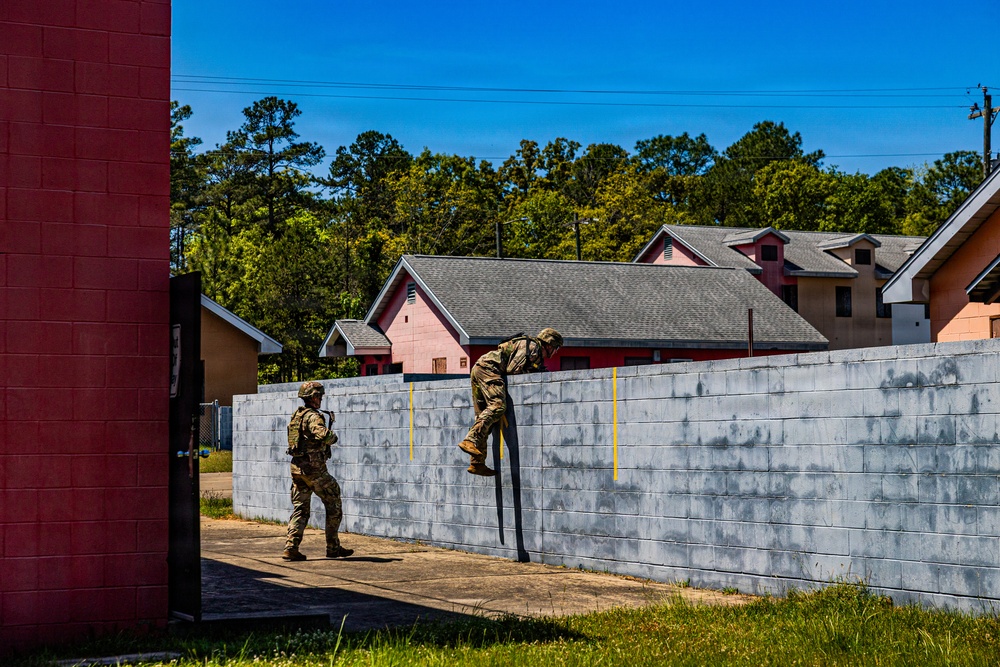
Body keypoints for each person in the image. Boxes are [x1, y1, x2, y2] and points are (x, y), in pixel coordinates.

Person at [458, 328, 563, 476]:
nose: (555, 352)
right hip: (489, 369)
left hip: (480, 368)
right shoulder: (533, 348)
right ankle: (470, 439)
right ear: (550, 344)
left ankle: (476, 463)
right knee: (498, 405)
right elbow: (513, 370)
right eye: (556, 348)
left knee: (484, 415)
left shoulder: (531, 348)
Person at [282, 381, 354, 561]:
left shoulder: (297, 415)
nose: (320, 399)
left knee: (300, 509)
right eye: (318, 396)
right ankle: (333, 547)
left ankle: (291, 546)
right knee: (334, 502)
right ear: (311, 397)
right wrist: (332, 436)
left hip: (298, 469)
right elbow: (321, 433)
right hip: (314, 470)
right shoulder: (314, 416)